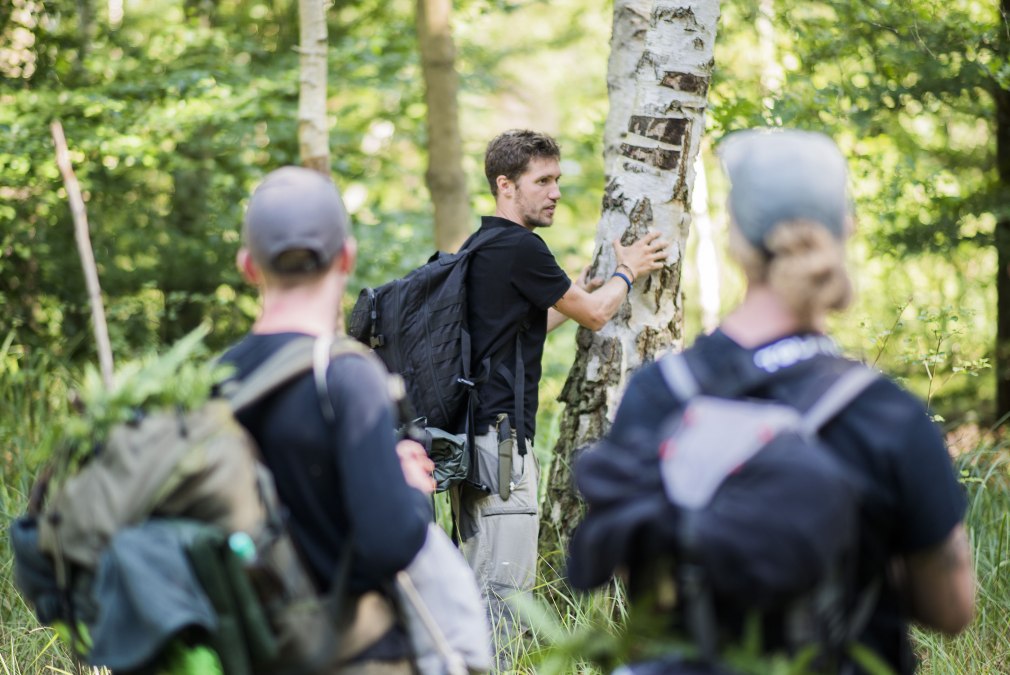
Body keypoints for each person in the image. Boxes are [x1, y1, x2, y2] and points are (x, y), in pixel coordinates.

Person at [567, 129, 976, 674]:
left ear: (737, 242)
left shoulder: (660, 393)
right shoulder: (885, 413)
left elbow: (633, 571)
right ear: (843, 232)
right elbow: (951, 609)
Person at [454, 129, 669, 666]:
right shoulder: (521, 247)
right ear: (505, 185)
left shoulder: (480, 246)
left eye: (557, 180)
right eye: (542, 181)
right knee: (503, 594)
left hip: (475, 446)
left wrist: (581, 290)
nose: (555, 192)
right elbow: (596, 316)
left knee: (483, 581)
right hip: (502, 448)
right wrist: (628, 271)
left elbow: (520, 332)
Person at [221, 166, 437, 674]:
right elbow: (389, 543)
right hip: (349, 653)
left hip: (251, 655)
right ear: (347, 257)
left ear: (248, 266)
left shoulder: (214, 380)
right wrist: (410, 489)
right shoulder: (346, 376)